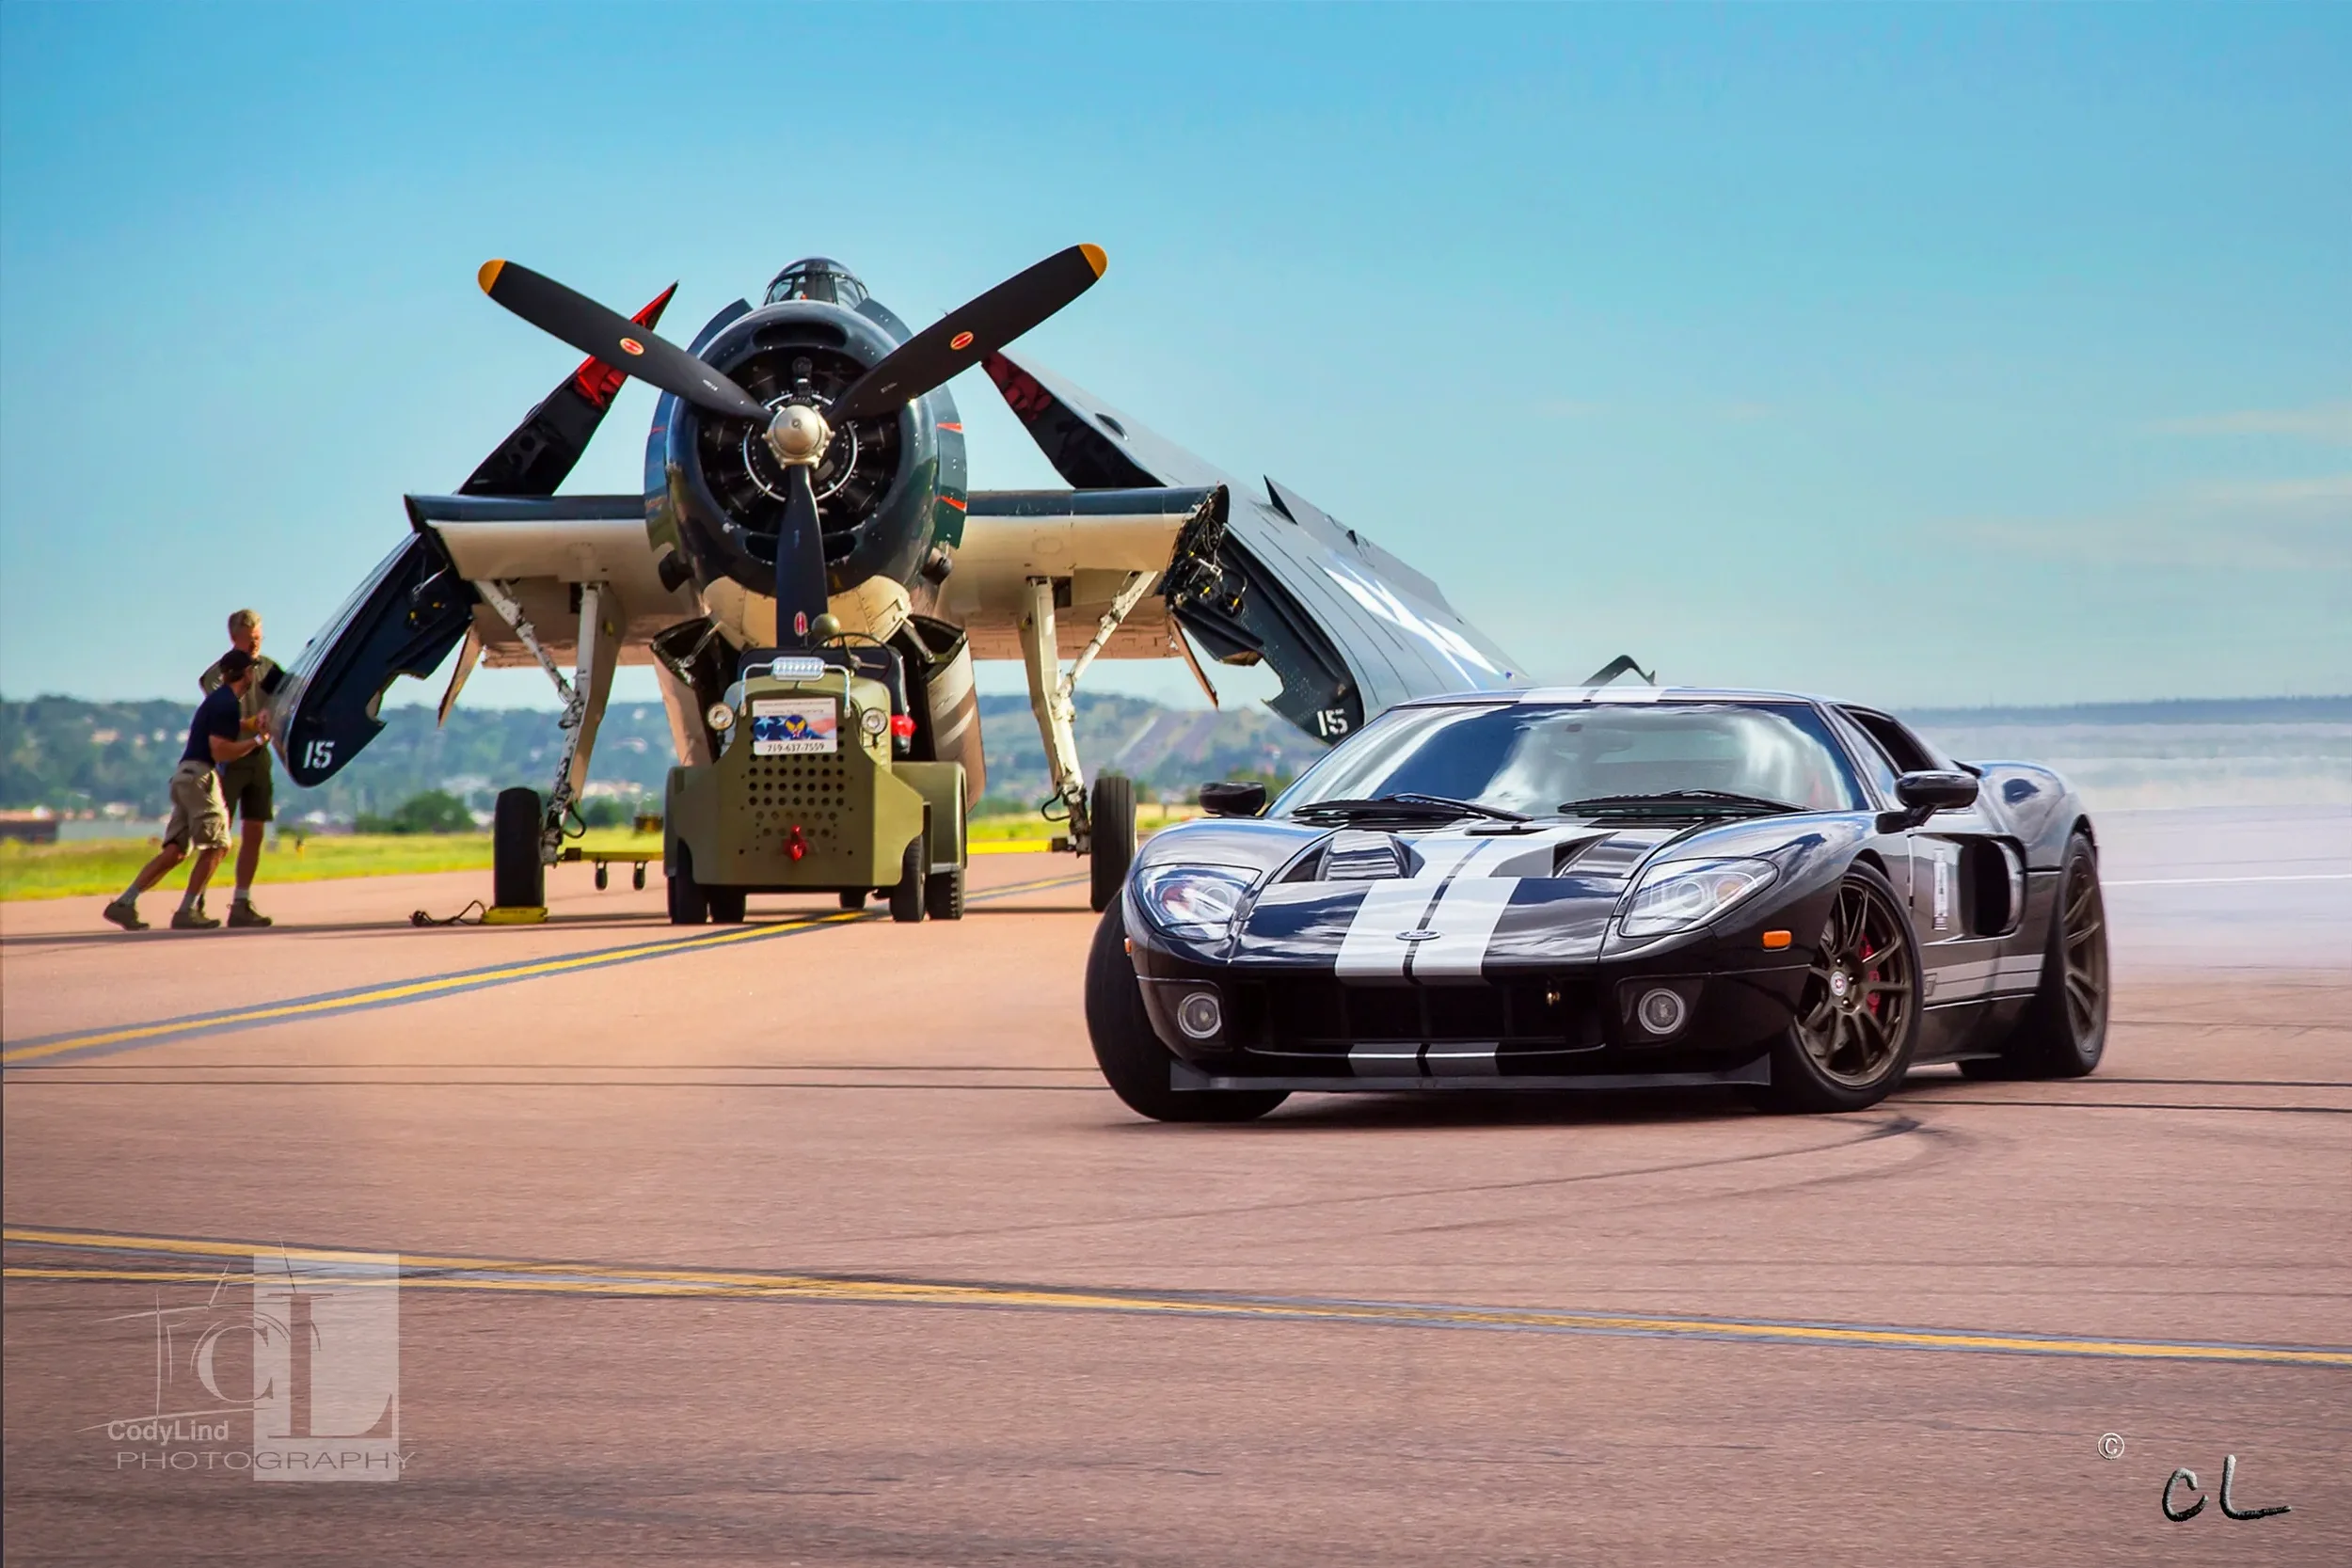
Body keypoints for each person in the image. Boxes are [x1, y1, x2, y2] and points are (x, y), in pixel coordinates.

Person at [103, 649, 269, 931]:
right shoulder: (227, 703)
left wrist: (251, 725)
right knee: (219, 845)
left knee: (176, 851)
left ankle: (124, 903)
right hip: (200, 776)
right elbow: (221, 749)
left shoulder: (219, 701)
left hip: (184, 775)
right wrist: (257, 741)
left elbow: (222, 728)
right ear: (247, 674)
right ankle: (187, 910)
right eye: (252, 670)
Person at [198, 610, 285, 927]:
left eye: (258, 639)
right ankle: (197, 899)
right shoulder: (219, 674)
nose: (255, 645)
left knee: (255, 829)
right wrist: (248, 722)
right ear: (234, 638)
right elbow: (217, 714)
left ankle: (241, 901)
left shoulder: (270, 670)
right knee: (219, 833)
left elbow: (286, 699)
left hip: (258, 755)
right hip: (229, 756)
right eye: (250, 640)